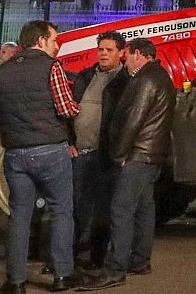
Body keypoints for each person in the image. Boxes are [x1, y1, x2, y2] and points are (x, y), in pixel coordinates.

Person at [0, 20, 80, 294]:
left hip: (16, 153)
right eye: (54, 39)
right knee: (61, 212)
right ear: (41, 40)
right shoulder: (50, 66)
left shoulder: (1, 72)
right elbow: (67, 108)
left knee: (19, 216)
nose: (57, 45)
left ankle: (16, 281)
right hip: (50, 150)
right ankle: (62, 275)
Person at [80, 39, 173, 290]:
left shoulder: (144, 80)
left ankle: (115, 268)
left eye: (128, 56)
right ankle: (140, 260)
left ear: (139, 55)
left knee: (120, 210)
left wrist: (119, 155)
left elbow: (133, 119)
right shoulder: (161, 76)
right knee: (144, 208)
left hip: (138, 156)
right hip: (152, 155)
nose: (125, 61)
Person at [69, 32, 128, 269]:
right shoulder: (85, 76)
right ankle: (67, 258)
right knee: (76, 208)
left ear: (121, 53)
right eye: (101, 50)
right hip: (81, 154)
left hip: (106, 156)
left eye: (109, 50)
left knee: (103, 210)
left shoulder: (124, 81)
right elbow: (70, 111)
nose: (103, 54)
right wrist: (69, 141)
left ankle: (97, 258)